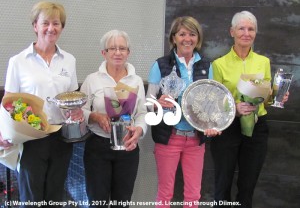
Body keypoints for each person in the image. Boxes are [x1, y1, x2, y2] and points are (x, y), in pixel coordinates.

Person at [0, 1, 83, 206]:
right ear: (35, 26)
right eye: (45, 23)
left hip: (61, 137)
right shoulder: (18, 61)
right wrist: (3, 132)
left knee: (55, 195)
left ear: (62, 28)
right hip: (30, 138)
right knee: (31, 197)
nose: (51, 28)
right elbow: (8, 102)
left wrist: (76, 111)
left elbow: (71, 97)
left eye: (56, 23)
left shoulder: (69, 60)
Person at [210, 11, 289, 208]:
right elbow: (213, 102)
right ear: (232, 32)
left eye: (251, 29)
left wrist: (276, 98)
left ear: (255, 33)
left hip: (257, 127)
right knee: (222, 183)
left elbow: (265, 98)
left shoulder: (263, 62)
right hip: (228, 128)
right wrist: (233, 109)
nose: (246, 33)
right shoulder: (218, 64)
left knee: (247, 185)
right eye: (241, 28)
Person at [147, 16, 220, 208]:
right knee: (165, 193)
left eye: (192, 34)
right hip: (169, 137)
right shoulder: (160, 65)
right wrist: (158, 104)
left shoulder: (206, 65)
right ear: (173, 38)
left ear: (198, 38)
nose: (187, 39)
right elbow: (148, 103)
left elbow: (210, 103)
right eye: (182, 34)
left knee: (193, 195)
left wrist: (212, 124)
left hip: (195, 140)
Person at [80, 30, 147, 208]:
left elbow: (141, 113)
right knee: (97, 202)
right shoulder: (92, 80)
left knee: (122, 202)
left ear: (128, 52)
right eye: (112, 48)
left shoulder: (136, 81)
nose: (118, 53)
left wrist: (139, 131)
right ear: (104, 53)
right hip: (97, 147)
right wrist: (95, 116)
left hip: (128, 146)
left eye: (122, 48)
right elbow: (81, 111)